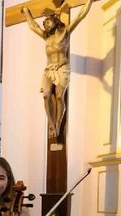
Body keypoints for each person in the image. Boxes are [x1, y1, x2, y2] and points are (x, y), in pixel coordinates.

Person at [22, 0, 93, 139]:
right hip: (49, 69)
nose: (45, 24)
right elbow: (33, 25)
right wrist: (26, 11)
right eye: (44, 23)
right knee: (46, 95)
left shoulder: (65, 33)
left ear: (55, 20)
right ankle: (51, 122)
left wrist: (89, 2)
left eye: (47, 21)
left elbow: (80, 16)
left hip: (62, 67)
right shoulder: (46, 37)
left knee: (60, 96)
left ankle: (59, 123)